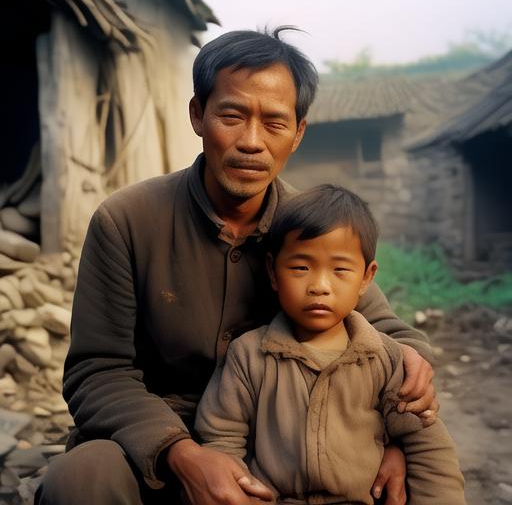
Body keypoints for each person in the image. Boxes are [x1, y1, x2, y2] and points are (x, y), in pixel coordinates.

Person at [36, 28, 438, 505]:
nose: (251, 141)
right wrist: (182, 453)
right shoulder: (126, 221)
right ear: (197, 115)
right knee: (80, 478)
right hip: (151, 452)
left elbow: (393, 336)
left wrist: (399, 432)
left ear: (298, 133)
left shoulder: (308, 232)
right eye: (232, 115)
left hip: (275, 457)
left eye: (274, 122)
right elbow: (96, 372)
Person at [195, 184, 465, 505]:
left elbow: (427, 443)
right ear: (272, 271)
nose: (320, 286)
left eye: (340, 270)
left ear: (366, 277)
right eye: (300, 268)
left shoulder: (386, 359)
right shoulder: (249, 356)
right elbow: (221, 439)